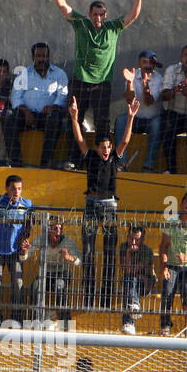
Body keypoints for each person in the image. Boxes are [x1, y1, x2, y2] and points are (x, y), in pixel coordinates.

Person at [48, 0, 143, 166]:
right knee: (75, 119)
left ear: (105, 15)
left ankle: (103, 159)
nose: (98, 18)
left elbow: (132, 16)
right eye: (95, 14)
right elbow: (64, 7)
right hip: (80, 80)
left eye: (101, 14)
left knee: (102, 123)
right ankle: (74, 159)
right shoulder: (81, 24)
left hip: (102, 84)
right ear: (90, 14)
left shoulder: (113, 28)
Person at [70, 95, 137, 309]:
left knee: (109, 253)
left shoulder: (115, 158)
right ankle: (89, 299)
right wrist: (75, 118)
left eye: (108, 147)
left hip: (109, 206)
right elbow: (80, 140)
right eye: (103, 147)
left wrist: (131, 117)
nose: (106, 150)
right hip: (91, 204)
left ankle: (106, 301)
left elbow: (125, 141)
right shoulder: (90, 157)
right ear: (97, 148)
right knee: (88, 253)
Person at [6, 42, 69, 168]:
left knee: (55, 119)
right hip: (27, 114)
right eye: (38, 56)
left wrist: (53, 107)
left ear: (48, 57)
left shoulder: (59, 74)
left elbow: (63, 96)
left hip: (47, 115)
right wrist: (26, 112)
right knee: (8, 117)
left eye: (44, 56)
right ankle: (15, 162)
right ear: (33, 57)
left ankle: (45, 163)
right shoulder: (23, 74)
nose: (41, 59)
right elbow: (15, 97)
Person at [0, 174, 33, 325]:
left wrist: (25, 236)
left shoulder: (27, 205)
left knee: (18, 284)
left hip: (15, 252)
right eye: (13, 189)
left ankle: (16, 317)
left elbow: (30, 224)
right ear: (6, 189)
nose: (16, 192)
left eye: (19, 189)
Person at [158, 191, 187, 332]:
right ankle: (165, 325)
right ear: (182, 203)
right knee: (167, 292)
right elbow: (163, 246)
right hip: (172, 264)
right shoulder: (172, 223)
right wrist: (164, 267)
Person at [113, 52, 164, 171]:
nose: (148, 66)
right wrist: (130, 83)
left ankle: (148, 166)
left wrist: (145, 85)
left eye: (151, 63)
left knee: (157, 125)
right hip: (134, 119)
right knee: (120, 121)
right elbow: (129, 100)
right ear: (139, 63)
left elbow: (149, 101)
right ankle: (121, 163)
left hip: (152, 120)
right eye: (145, 62)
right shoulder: (133, 75)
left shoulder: (158, 78)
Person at [27, 216, 81, 326]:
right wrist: (24, 251)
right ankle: (37, 319)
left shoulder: (67, 242)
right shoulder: (41, 239)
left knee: (59, 285)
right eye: (54, 229)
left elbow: (79, 261)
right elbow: (26, 254)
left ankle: (65, 322)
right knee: (36, 285)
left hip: (63, 273)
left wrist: (69, 257)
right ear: (48, 230)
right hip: (45, 273)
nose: (58, 232)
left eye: (60, 229)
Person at [118, 223, 155, 335]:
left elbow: (137, 270)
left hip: (145, 282)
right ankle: (134, 306)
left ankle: (129, 323)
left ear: (142, 239)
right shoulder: (124, 247)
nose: (133, 243)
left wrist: (138, 275)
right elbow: (127, 270)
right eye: (131, 239)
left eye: (137, 240)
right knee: (128, 281)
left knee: (129, 283)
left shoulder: (147, 251)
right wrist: (128, 253)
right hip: (131, 281)